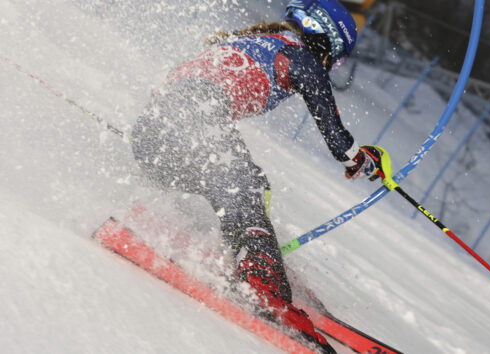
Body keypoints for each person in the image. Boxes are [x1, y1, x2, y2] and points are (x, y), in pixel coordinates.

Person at [131, 0, 386, 350]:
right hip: (193, 119)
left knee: (244, 181)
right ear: (324, 38)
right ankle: (261, 283)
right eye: (334, 56)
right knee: (244, 183)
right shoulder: (299, 55)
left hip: (150, 137)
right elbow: (336, 136)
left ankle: (249, 250)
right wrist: (362, 159)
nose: (329, 65)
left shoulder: (246, 42)